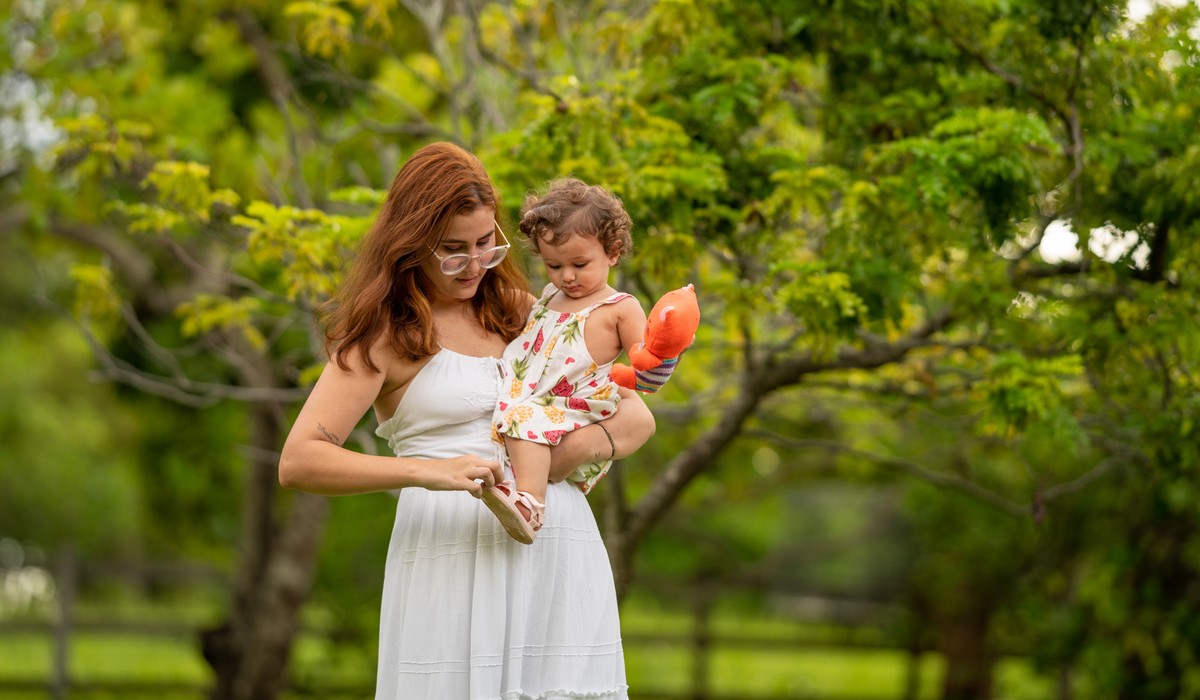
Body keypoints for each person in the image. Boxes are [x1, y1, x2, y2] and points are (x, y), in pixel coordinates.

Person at [277, 142, 655, 700]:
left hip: (555, 541)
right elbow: (300, 459)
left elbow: (637, 417)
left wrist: (567, 453)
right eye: (453, 251)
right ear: (412, 244)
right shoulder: (385, 335)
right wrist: (426, 472)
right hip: (449, 545)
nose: (475, 264)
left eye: (487, 245)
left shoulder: (525, 315)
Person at [482, 178, 648, 545]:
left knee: (525, 419)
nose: (567, 276)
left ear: (613, 251)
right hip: (539, 400)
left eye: (579, 263)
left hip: (576, 404)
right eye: (554, 265)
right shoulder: (548, 297)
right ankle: (523, 487)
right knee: (519, 419)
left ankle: (530, 505)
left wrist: (665, 350)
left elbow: (645, 358)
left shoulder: (619, 307)